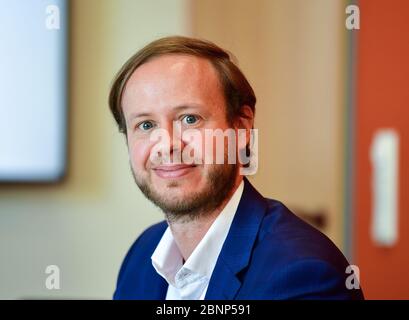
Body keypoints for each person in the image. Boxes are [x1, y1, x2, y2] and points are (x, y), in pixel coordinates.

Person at [109, 36, 364, 300]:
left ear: (241, 127)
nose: (167, 145)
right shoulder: (141, 256)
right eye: (146, 125)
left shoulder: (303, 275)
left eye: (190, 119)